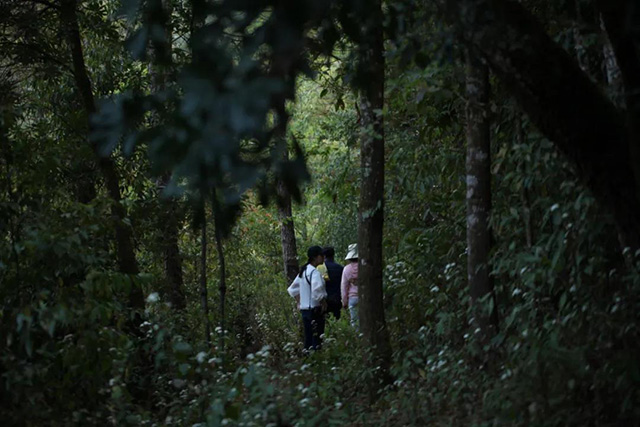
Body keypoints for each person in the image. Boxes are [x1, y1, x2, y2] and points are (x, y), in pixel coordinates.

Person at [287, 246, 327, 351]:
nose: (323, 258)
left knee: (308, 338)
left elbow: (292, 289)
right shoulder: (314, 273)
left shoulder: (303, 271)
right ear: (316, 257)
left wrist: (299, 302)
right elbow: (317, 290)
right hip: (315, 310)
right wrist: (323, 302)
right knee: (317, 338)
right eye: (321, 255)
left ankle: (307, 360)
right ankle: (316, 361)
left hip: (305, 311)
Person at [322, 246, 344, 320]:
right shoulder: (340, 268)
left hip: (324, 300)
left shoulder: (321, 268)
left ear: (324, 256)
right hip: (337, 298)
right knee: (337, 320)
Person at [341, 243, 359, 330]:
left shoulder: (347, 269)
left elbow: (344, 286)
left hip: (353, 298)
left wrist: (344, 302)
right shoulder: (365, 266)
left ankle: (357, 339)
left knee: (354, 321)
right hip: (365, 297)